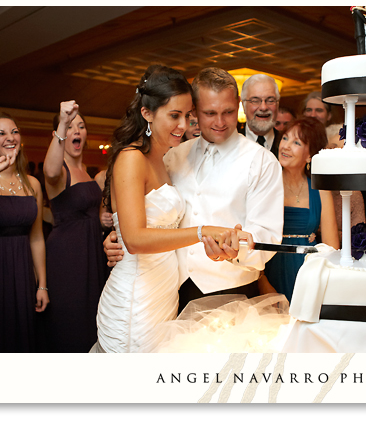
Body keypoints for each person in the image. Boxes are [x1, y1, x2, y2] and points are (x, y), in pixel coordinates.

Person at [91, 65, 252, 353]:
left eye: (188, 115)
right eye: (174, 115)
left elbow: (160, 224)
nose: (183, 125)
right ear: (147, 114)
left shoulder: (164, 159)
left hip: (163, 295)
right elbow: (135, 239)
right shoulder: (131, 158)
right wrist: (202, 231)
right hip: (136, 300)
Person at [105, 67, 284, 314]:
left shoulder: (262, 162)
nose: (220, 122)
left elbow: (267, 237)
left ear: (239, 105)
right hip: (170, 292)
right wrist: (118, 235)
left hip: (231, 295)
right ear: (195, 112)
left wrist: (236, 251)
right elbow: (146, 217)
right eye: (210, 113)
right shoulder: (172, 155)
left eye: (228, 112)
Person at [0, 112, 48, 352]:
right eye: (0, 133)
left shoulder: (32, 183)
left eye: (14, 131)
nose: (10, 137)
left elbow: (36, 238)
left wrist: (42, 284)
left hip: (21, 271)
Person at [40, 102, 107, 352]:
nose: (76, 130)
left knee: (92, 322)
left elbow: (90, 213)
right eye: (71, 127)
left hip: (91, 255)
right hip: (67, 258)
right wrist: (62, 121)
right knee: (71, 326)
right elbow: (49, 169)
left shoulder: (86, 171)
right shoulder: (60, 172)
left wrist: (102, 219)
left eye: (81, 126)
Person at [260, 117, 339, 302]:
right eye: (285, 138)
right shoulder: (265, 185)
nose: (286, 146)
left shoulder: (320, 191)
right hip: (271, 270)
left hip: (310, 273)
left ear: (310, 154)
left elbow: (331, 248)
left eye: (296, 142)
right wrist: (262, 281)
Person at [239, 74, 281, 156]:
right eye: (255, 101)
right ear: (243, 105)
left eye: (270, 100)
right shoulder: (229, 143)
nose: (263, 107)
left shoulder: (286, 145)